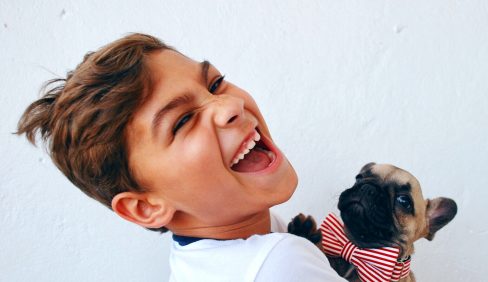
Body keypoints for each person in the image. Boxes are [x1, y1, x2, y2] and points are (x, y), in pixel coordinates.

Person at [17, 33, 345, 281]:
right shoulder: (278, 265)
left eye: (215, 84)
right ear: (146, 207)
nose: (229, 106)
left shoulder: (201, 263)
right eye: (183, 121)